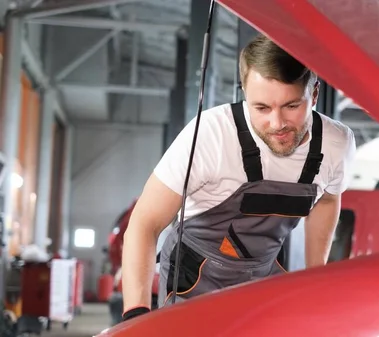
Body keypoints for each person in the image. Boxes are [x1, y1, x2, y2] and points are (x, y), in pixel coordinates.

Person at [120, 33, 356, 320]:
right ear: (245, 94)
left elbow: (328, 199)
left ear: (314, 93)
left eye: (291, 106)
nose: (277, 123)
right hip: (193, 279)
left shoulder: (336, 143)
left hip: (265, 274)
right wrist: (135, 313)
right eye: (262, 108)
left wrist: (314, 278)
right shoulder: (210, 134)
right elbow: (145, 222)